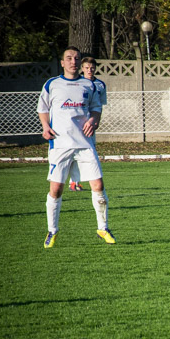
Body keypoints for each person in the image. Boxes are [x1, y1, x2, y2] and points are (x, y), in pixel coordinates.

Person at [38, 46, 114, 248]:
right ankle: (52, 231)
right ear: (62, 63)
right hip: (60, 144)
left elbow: (96, 109)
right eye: (69, 58)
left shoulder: (89, 85)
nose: (73, 61)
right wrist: (45, 126)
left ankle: (103, 228)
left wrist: (94, 120)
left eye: (77, 58)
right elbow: (43, 108)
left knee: (98, 186)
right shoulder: (52, 84)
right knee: (56, 189)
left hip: (85, 144)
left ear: (80, 62)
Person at [69, 56, 108, 191]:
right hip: (77, 123)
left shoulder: (100, 85)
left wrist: (96, 120)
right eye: (87, 68)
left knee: (90, 152)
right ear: (82, 68)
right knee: (75, 151)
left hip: (90, 123)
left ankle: (90, 182)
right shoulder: (76, 83)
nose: (89, 70)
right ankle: (74, 181)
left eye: (92, 68)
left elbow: (99, 106)